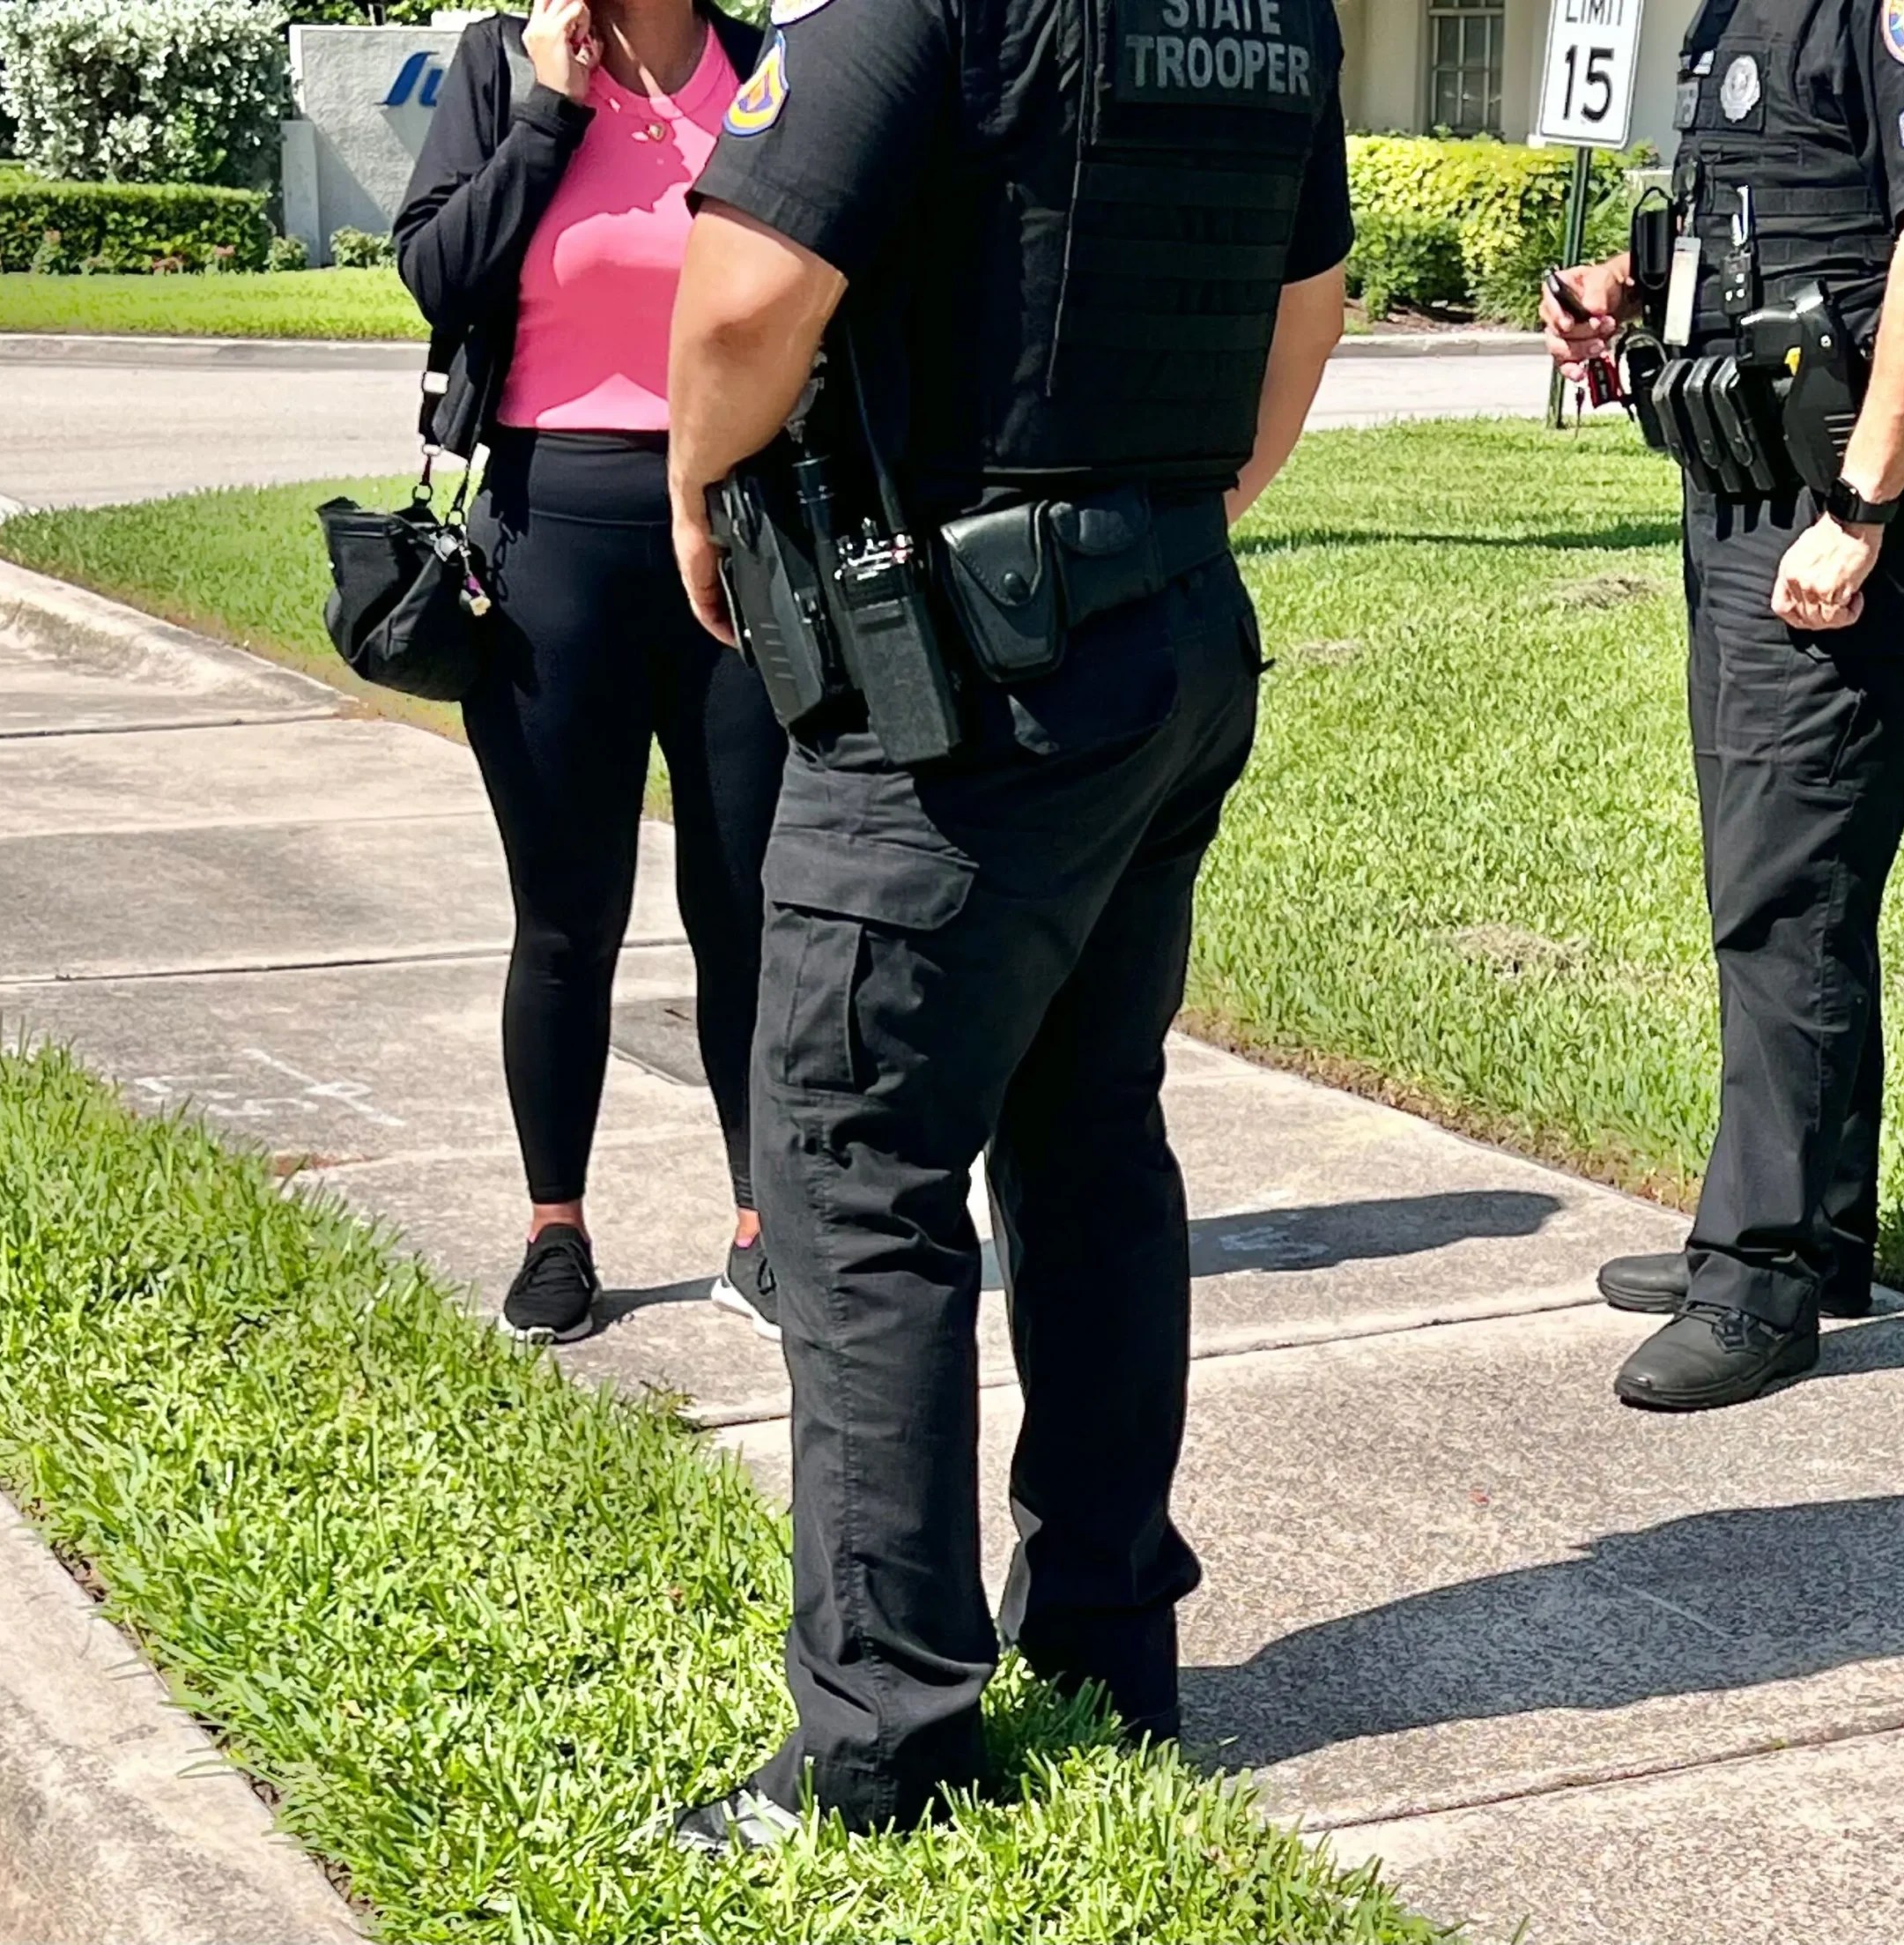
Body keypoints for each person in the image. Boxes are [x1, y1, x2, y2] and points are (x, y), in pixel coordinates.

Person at [655, 0, 1352, 1845]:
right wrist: (1168, 515)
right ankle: (1109, 1647)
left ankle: (881, 1741)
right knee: (1090, 1137)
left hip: (968, 687)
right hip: (1166, 631)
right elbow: (1308, 306)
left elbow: (741, 304)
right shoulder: (1269, 9)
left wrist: (696, 486)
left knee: (854, 1171)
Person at [1543, 0, 1904, 1411]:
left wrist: (1861, 510)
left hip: (1843, 499)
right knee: (1776, 866)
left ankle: (1758, 1278)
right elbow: (1765, 216)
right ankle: (1817, 1230)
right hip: (1747, 484)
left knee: (1785, 884)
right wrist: (1624, 289)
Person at [395, 0, 787, 1347]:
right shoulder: (505, 62)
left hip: (741, 540)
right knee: (567, 916)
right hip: (550, 538)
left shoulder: (763, 67)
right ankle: (554, 1227)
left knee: (748, 904)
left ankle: (762, 1227)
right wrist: (551, 111)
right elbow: (438, 274)